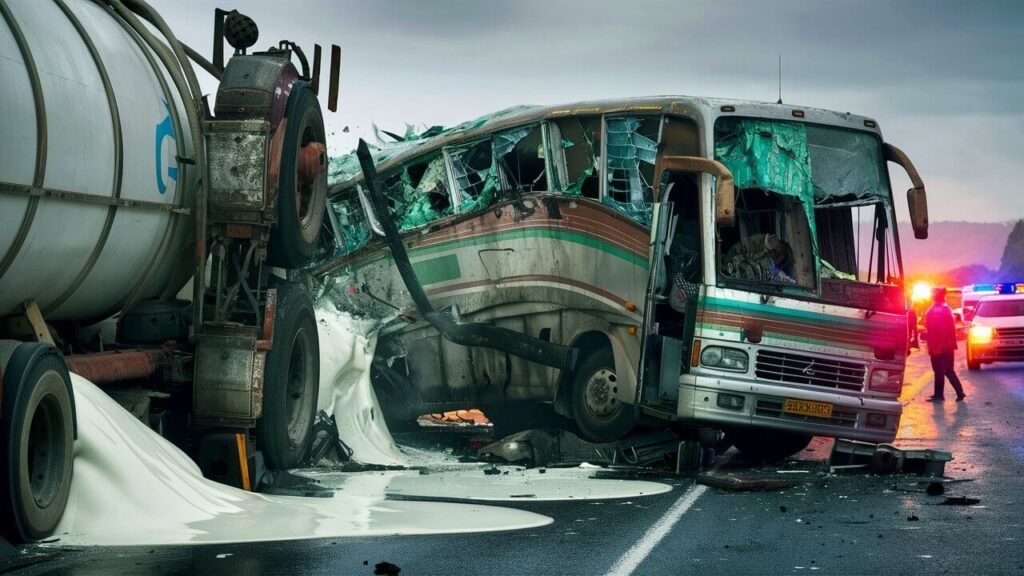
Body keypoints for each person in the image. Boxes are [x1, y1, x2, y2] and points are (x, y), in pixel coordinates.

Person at [923, 287, 966, 402]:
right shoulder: (946, 308)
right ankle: (958, 392)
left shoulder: (935, 310)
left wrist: (933, 343)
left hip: (938, 345)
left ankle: (940, 395)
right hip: (947, 345)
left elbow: (933, 329)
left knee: (939, 371)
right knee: (948, 370)